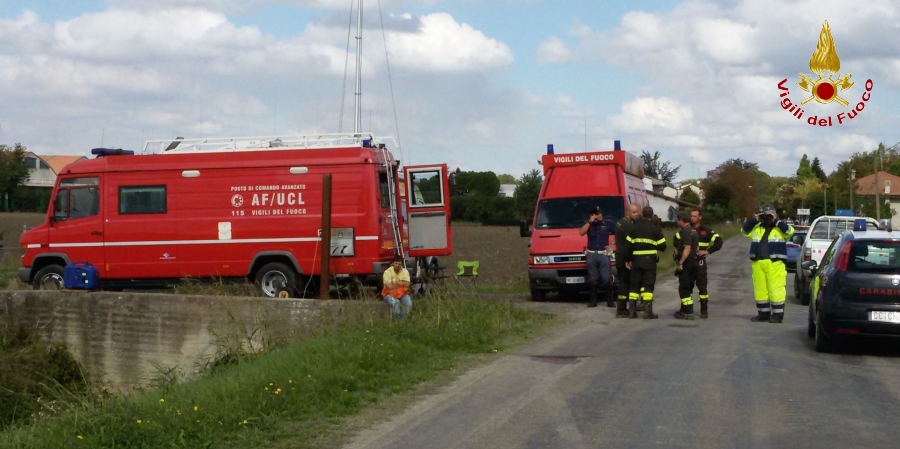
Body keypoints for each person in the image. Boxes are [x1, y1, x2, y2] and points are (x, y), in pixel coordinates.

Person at [742, 207, 794, 323]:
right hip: (758, 262)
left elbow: (789, 232)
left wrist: (776, 221)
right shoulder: (757, 227)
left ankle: (777, 315)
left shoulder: (780, 228)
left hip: (775, 264)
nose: (768, 218)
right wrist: (756, 219)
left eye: (771, 215)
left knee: (776, 289)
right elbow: (744, 230)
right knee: (760, 290)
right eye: (766, 215)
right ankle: (763, 314)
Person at [674, 208, 723, 318]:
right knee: (687, 285)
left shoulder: (706, 231)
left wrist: (708, 251)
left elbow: (719, 241)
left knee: (702, 286)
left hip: (700, 262)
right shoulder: (687, 230)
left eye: (694, 216)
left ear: (700, 217)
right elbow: (675, 240)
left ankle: (704, 310)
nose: (692, 218)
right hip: (689, 262)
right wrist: (681, 250)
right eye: (691, 216)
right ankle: (686, 309)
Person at [623, 206, 667, 319]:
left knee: (634, 285)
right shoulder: (655, 229)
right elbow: (663, 246)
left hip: (636, 261)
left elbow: (627, 246)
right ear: (651, 215)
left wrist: (628, 259)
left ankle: (632, 312)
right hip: (649, 262)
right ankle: (648, 312)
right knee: (648, 285)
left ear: (642, 214)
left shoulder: (634, 228)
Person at [579, 206, 614, 308]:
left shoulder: (607, 223)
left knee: (606, 278)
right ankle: (593, 301)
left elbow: (619, 233)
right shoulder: (589, 225)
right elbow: (581, 232)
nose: (598, 216)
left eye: (599, 214)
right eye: (595, 214)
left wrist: (612, 244)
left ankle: (610, 301)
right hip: (592, 253)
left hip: (603, 253)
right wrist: (589, 222)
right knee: (593, 279)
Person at [614, 204, 641, 317]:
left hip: (621, 256)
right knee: (625, 283)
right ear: (627, 213)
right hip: (625, 258)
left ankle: (623, 308)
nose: (636, 214)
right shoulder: (627, 225)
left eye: (637, 212)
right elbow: (629, 244)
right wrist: (629, 259)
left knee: (624, 283)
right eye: (634, 212)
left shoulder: (620, 223)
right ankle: (621, 310)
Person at [673, 211, 699, 320]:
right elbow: (696, 248)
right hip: (694, 262)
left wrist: (680, 263)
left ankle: (687, 312)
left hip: (687, 263)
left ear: (681, 220)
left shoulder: (686, 232)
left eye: (678, 220)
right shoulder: (694, 231)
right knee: (688, 286)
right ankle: (685, 309)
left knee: (684, 287)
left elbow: (687, 249)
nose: (677, 223)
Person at [382, 255, 413, 320]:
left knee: (408, 302)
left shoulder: (405, 271)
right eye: (396, 263)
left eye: (399, 264)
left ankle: (403, 321)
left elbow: (407, 284)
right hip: (389, 294)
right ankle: (398, 321)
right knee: (395, 303)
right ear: (392, 263)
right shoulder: (387, 272)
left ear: (401, 264)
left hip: (402, 294)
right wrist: (402, 283)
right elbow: (389, 286)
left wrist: (396, 282)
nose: (397, 265)